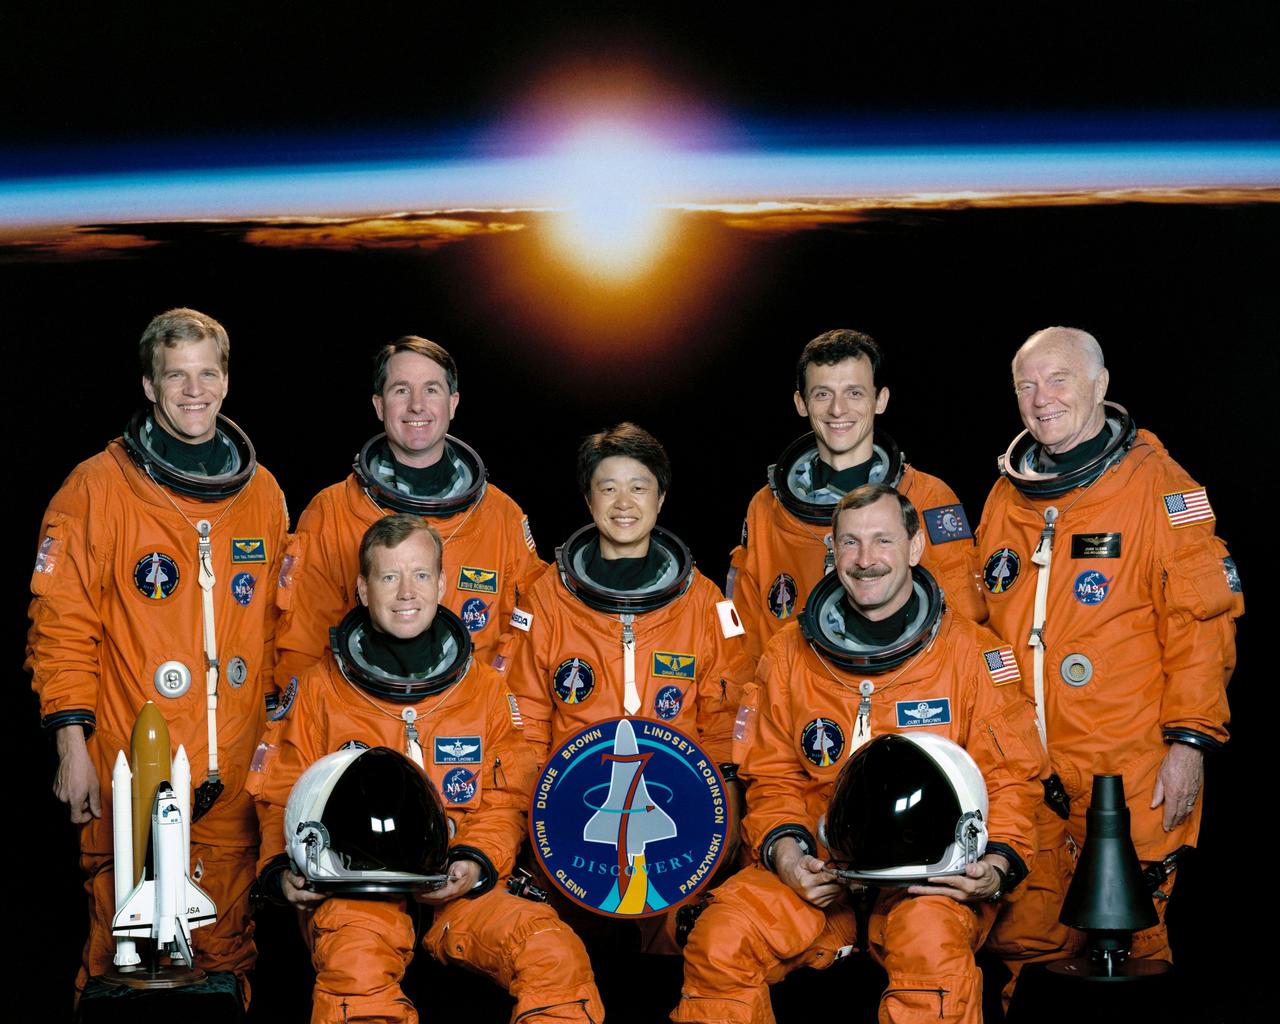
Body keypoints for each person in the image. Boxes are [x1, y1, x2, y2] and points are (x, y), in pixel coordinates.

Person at [674, 485, 1043, 1024]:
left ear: (916, 547)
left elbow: (1010, 776)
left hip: (931, 877)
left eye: (882, 540)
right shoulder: (789, 654)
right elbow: (771, 777)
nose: (865, 560)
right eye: (850, 542)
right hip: (822, 869)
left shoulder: (972, 653)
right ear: (833, 550)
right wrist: (788, 856)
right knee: (721, 938)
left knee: (930, 948)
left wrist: (997, 864)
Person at [27, 308, 289, 999]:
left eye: (208, 373)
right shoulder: (95, 489)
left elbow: (278, 633)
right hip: (129, 765)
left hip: (233, 769)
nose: (193, 390)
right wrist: (71, 747)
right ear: (149, 384)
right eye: (177, 375)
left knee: (226, 956)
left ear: (226, 381)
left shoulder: (261, 496)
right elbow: (60, 625)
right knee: (124, 960)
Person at [251, 515, 603, 1023]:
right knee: (356, 968)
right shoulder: (319, 690)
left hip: (458, 886)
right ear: (362, 589)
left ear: (441, 584)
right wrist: (281, 869)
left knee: (552, 951)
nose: (405, 593)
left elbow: (508, 795)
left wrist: (477, 859)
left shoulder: (483, 689)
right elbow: (281, 792)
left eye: (420, 575)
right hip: (355, 891)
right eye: (389, 577)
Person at [976, 326, 1241, 970]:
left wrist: (1190, 741)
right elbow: (976, 627)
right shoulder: (1007, 496)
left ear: (1100, 385)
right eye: (1026, 385)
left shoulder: (1160, 488)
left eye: (1059, 379)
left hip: (1129, 769)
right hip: (1028, 771)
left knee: (1126, 951)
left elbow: (1201, 623)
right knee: (1025, 945)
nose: (1042, 399)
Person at [505, 423, 750, 945]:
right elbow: (524, 720)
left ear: (660, 497)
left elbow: (724, 725)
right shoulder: (545, 599)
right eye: (607, 487)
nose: (623, 502)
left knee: (682, 957)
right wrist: (530, 824)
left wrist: (721, 826)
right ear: (587, 498)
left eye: (638, 487)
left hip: (680, 815)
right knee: (560, 952)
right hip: (563, 816)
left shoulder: (706, 604)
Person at [273, 334, 544, 696]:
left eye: (431, 390)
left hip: (470, 728)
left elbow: (528, 642)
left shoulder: (501, 517)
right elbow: (303, 645)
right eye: (401, 390)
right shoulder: (333, 511)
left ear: (453, 403)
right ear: (379, 405)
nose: (417, 406)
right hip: (361, 719)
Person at [728, 329, 983, 667]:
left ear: (880, 400)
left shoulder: (931, 497)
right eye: (822, 394)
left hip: (901, 695)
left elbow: (965, 617)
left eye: (854, 393)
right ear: (801, 403)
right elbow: (737, 628)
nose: (838, 409)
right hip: (794, 701)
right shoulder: (765, 508)